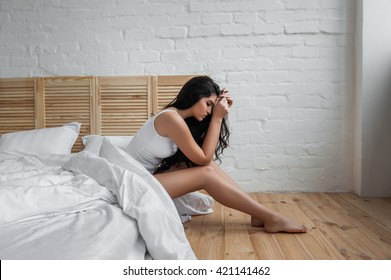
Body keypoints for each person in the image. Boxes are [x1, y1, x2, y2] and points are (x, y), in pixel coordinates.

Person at [128, 76, 306, 233]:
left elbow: (203, 159)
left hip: (145, 177)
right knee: (206, 172)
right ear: (194, 96)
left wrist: (218, 113)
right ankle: (271, 218)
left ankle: (257, 212)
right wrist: (217, 118)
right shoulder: (171, 118)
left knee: (207, 166)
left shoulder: (176, 118)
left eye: (212, 108)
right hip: (134, 185)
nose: (208, 111)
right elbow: (204, 158)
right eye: (208, 104)